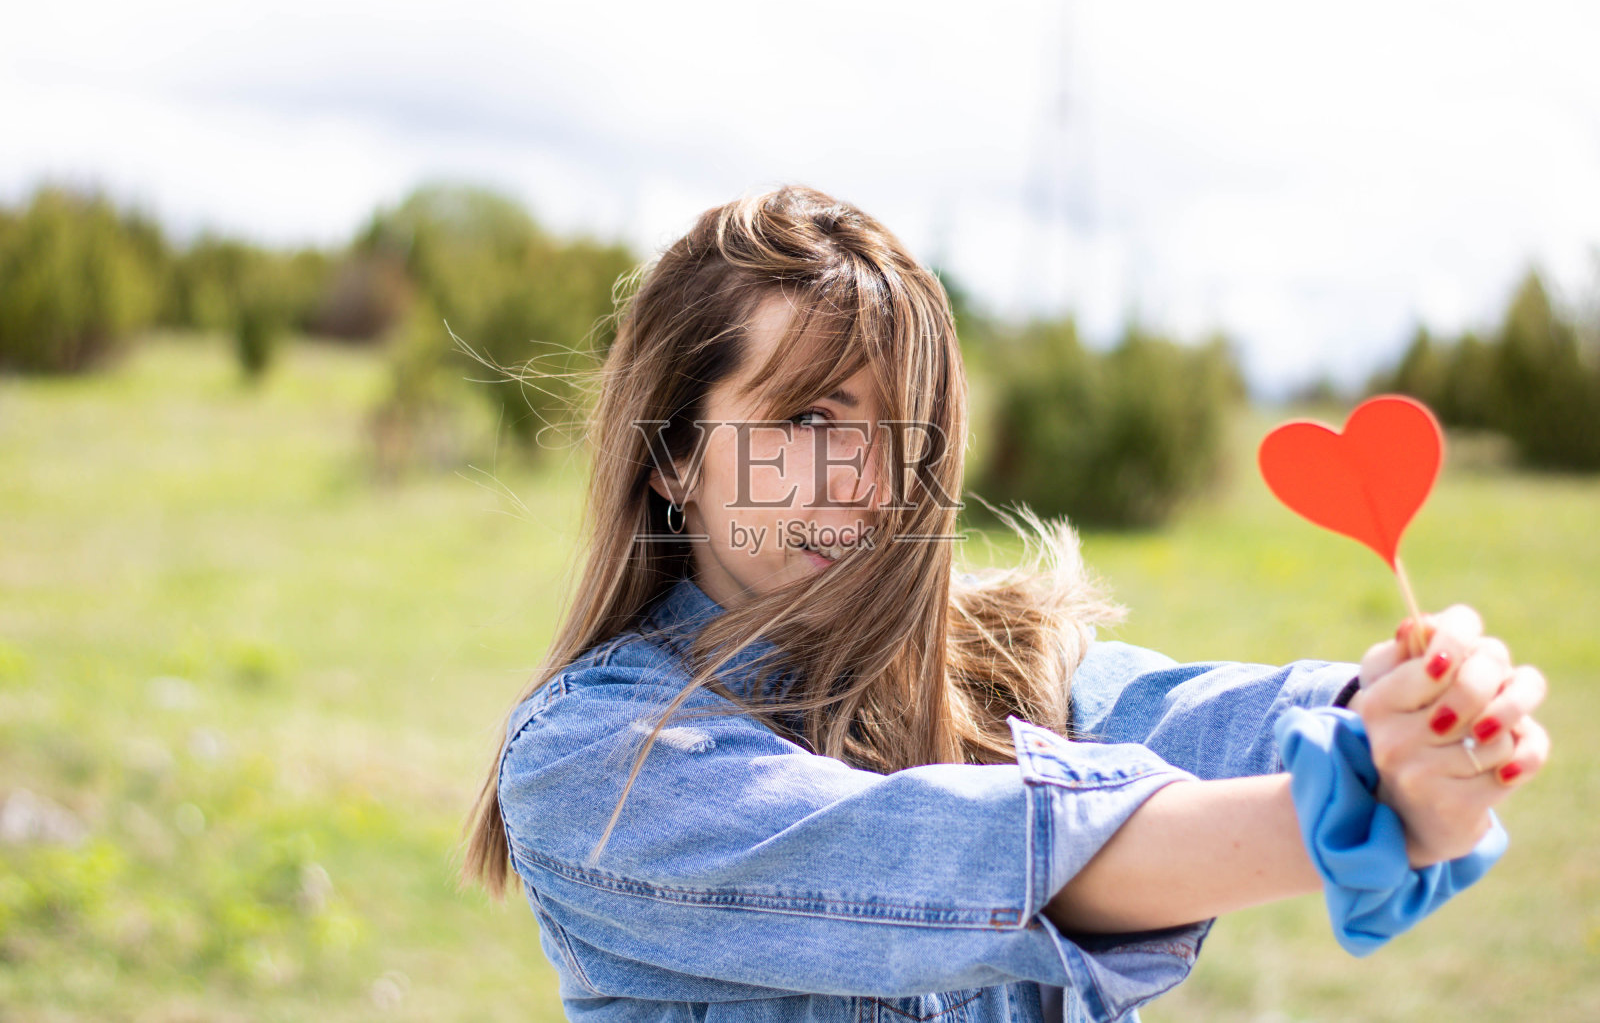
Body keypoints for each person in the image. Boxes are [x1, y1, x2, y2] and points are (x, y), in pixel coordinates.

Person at [460, 185, 1550, 1023]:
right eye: (804, 420)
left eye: (904, 431)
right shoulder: (591, 759)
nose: (865, 480)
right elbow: (962, 854)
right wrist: (1356, 799)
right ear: (672, 456)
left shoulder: (1002, 662)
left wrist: (1406, 710)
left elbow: (1214, 719)